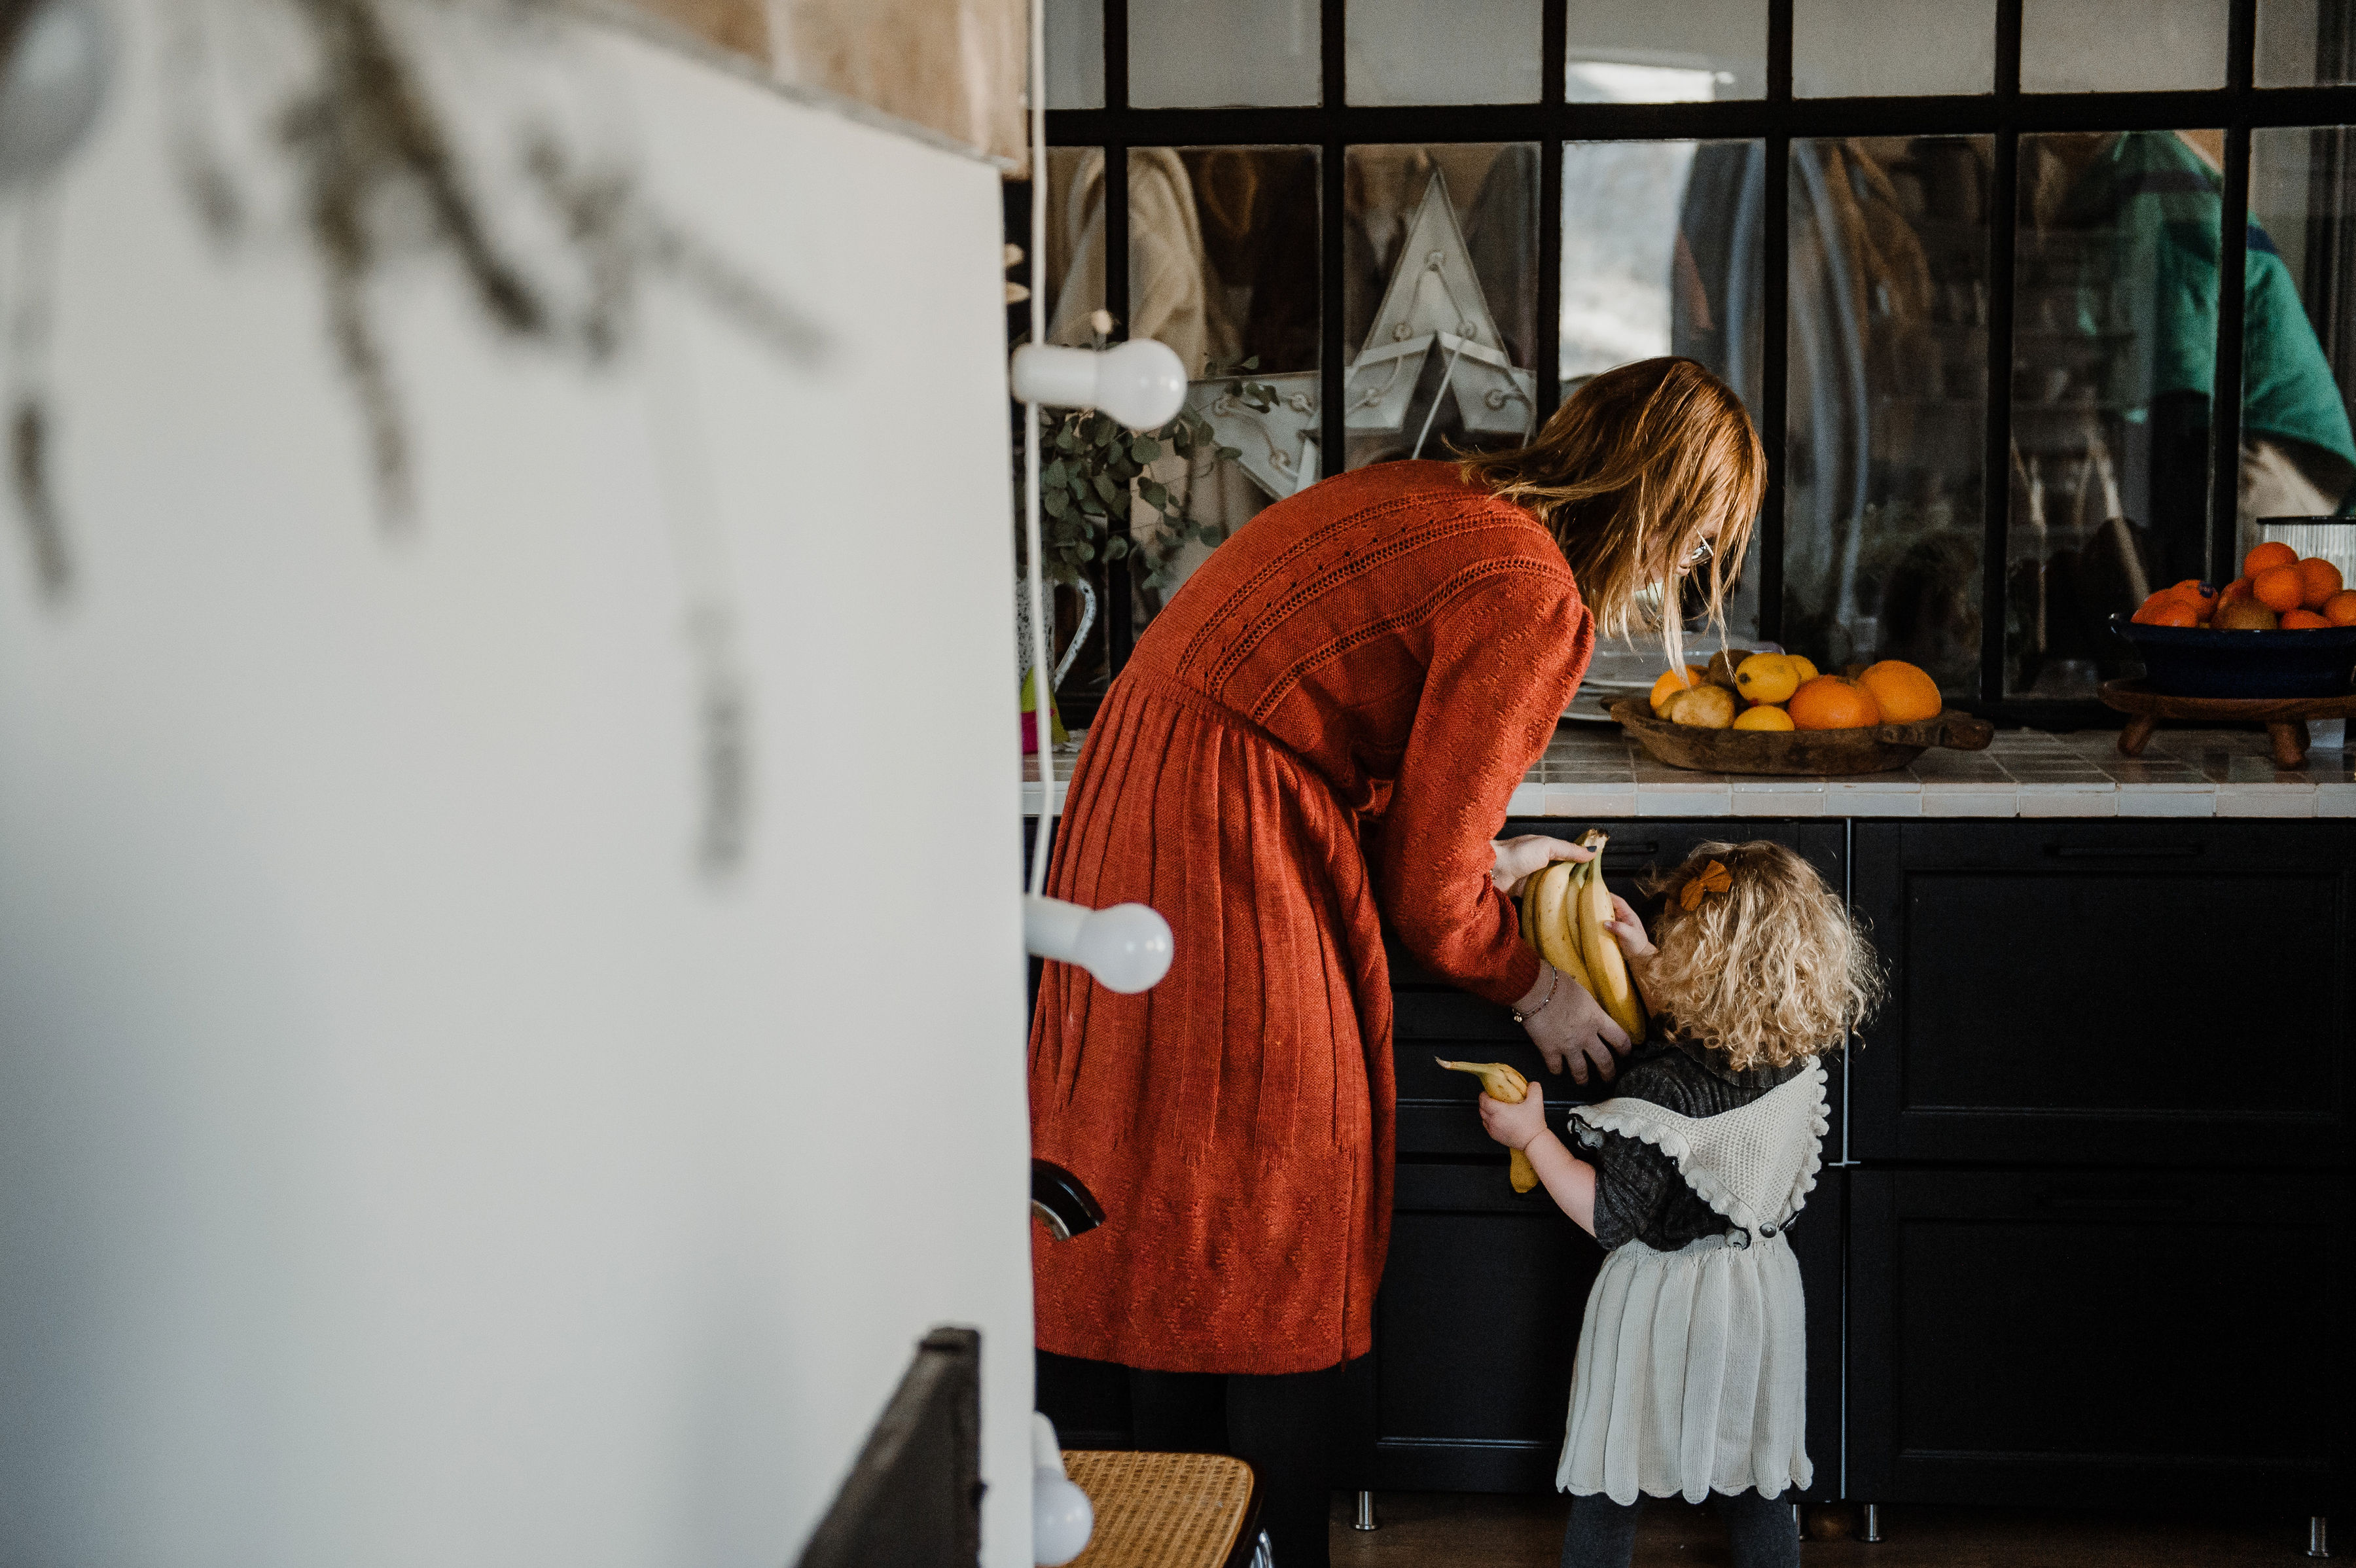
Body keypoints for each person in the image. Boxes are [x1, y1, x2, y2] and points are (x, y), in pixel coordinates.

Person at [1028, 357, 1764, 1565]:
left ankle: (1173, 1535)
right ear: (1666, 509)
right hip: (1222, 831)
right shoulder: (1535, 591)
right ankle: (1271, 1547)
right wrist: (1538, 987)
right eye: (1702, 544)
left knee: (1175, 1177)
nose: (1689, 574)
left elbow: (1370, 749)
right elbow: (1429, 892)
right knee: (1284, 1189)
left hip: (1152, 791)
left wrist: (1492, 849)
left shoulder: (1443, 495)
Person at [1477, 840, 1884, 1568]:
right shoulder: (1790, 1054)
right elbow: (1712, 1031)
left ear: (1697, 965)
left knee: (1613, 1473)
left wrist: (1534, 1137)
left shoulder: (1661, 1091)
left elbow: (1608, 1214)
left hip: (1665, 1305)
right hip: (1757, 1295)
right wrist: (1641, 958)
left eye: (1674, 941)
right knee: (1758, 1475)